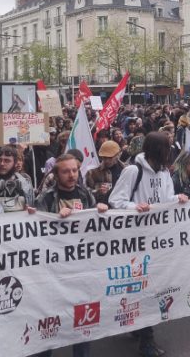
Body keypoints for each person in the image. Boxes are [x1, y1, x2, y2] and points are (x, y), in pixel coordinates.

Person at [109, 132, 189, 357]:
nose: (170, 152)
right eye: (166, 148)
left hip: (158, 239)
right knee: (144, 286)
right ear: (157, 150)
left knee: (153, 286)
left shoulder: (165, 174)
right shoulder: (133, 171)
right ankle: (147, 340)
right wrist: (135, 207)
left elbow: (165, 200)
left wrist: (178, 199)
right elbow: (116, 201)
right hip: (135, 240)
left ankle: (137, 325)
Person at [34, 153, 108, 357]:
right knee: (48, 322)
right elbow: (35, 232)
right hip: (53, 272)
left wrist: (100, 210)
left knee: (83, 320)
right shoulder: (46, 197)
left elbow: (96, 230)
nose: (71, 175)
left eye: (74, 170)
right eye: (66, 171)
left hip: (81, 270)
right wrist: (54, 219)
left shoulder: (86, 195)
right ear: (56, 174)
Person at [0, 146, 34, 212]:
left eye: (7, 161)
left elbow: (32, 207)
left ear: (15, 163)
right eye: (0, 160)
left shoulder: (26, 183)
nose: (2, 164)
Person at [85, 141, 126, 205]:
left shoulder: (126, 170)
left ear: (118, 154)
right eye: (104, 157)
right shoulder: (93, 172)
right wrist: (98, 192)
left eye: (110, 158)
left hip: (122, 209)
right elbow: (86, 194)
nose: (107, 161)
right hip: (103, 210)